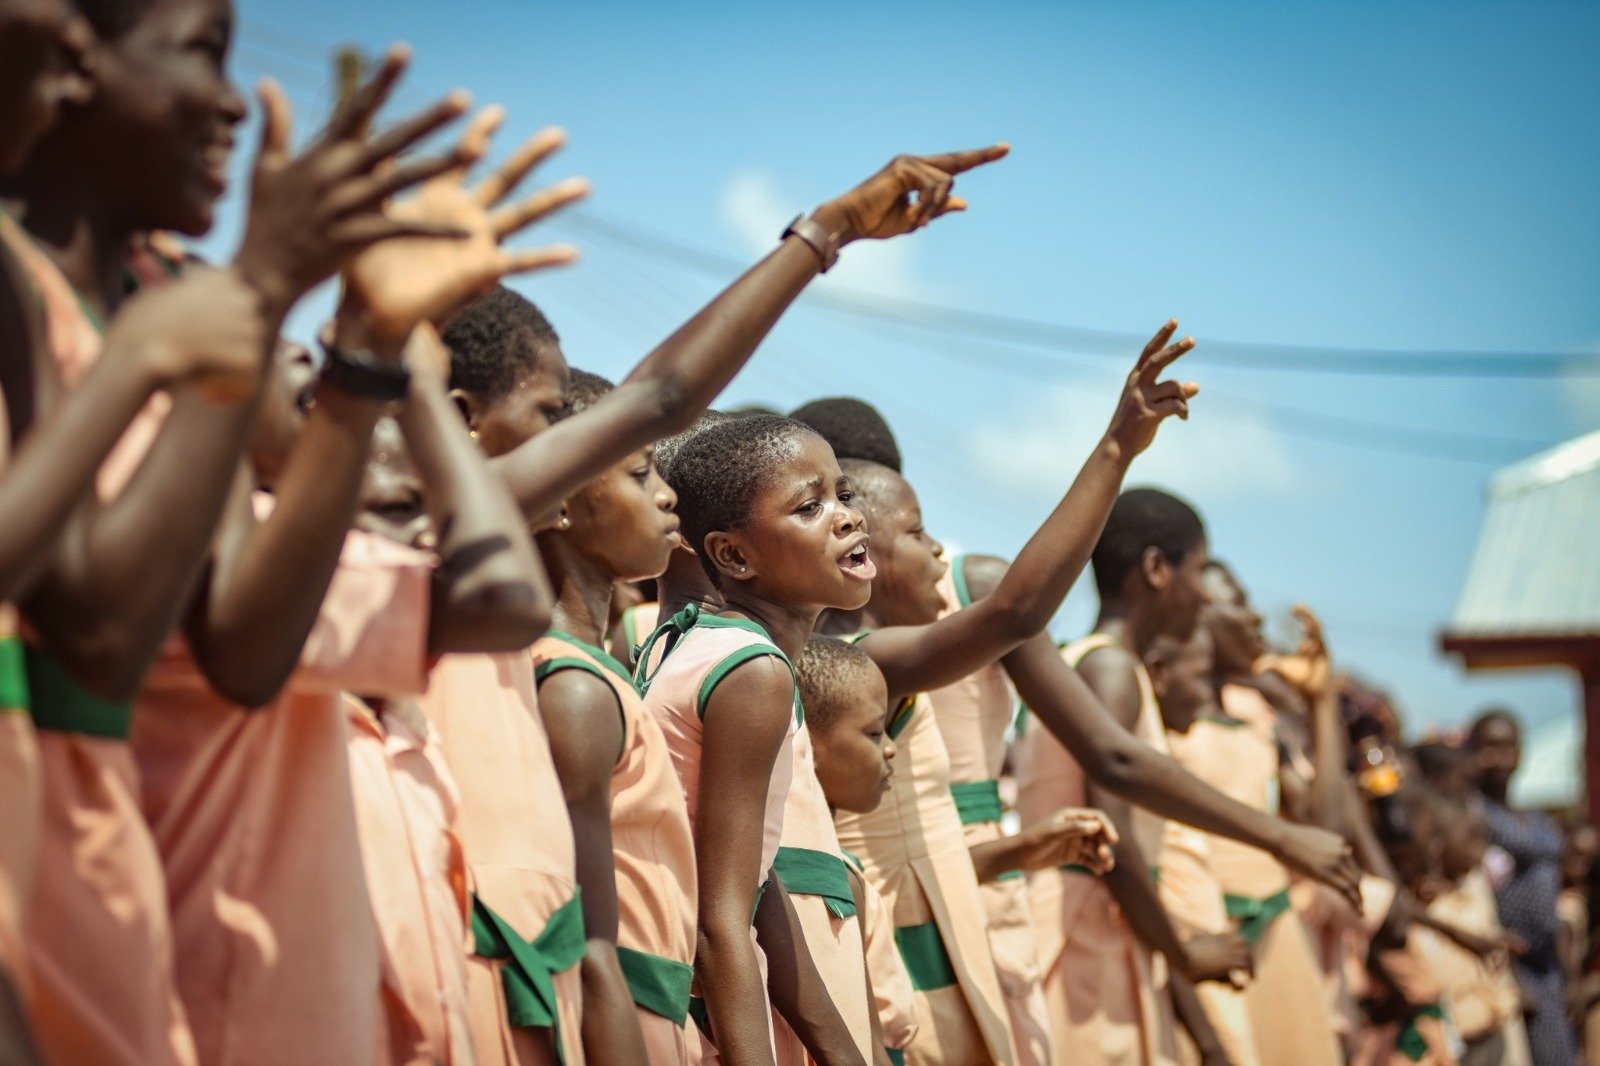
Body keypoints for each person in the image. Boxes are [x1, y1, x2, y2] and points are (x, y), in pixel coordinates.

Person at [528, 369, 699, 1064]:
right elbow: (596, 951)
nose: (666, 496)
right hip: (625, 1024)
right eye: (637, 474)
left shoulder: (600, 673)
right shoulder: (573, 688)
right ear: (563, 503)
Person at [1470, 709, 1578, 1066]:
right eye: (1489, 746)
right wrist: (1514, 978)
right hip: (1505, 968)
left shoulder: (1536, 820)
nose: (1500, 757)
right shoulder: (1472, 817)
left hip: (1548, 967)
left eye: (1508, 746)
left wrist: (1569, 976)